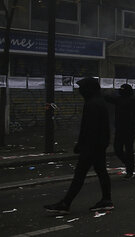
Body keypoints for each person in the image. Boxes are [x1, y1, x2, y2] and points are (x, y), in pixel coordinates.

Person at [44, 77, 113, 214]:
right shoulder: (98, 102)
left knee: (80, 175)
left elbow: (89, 128)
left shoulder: (92, 104)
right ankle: (106, 200)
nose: (80, 91)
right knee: (100, 172)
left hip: (91, 146)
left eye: (82, 88)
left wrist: (82, 144)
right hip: (97, 145)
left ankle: (66, 203)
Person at [104, 83, 135, 179]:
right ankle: (129, 165)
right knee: (118, 149)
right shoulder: (119, 99)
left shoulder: (134, 101)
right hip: (120, 129)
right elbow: (108, 98)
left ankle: (130, 169)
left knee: (128, 150)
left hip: (129, 129)